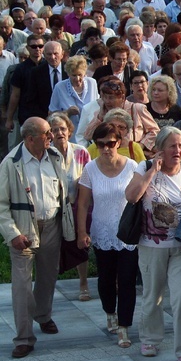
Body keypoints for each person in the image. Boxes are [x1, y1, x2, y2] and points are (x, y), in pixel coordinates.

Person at [124, 127, 181, 361]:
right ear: (160, 148)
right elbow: (131, 196)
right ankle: (150, 339)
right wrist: (151, 172)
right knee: (153, 295)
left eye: (180, 145)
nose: (177, 150)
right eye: (172, 146)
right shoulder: (144, 167)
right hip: (151, 245)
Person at [0, 117, 72, 358]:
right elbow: (1, 205)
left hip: (52, 225)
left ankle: (43, 316)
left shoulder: (54, 157)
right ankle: (23, 338)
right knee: (22, 286)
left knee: (48, 276)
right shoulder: (11, 163)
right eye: (46, 133)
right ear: (30, 139)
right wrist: (12, 234)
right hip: (23, 230)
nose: (51, 135)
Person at [76, 122, 138, 348]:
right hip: (102, 231)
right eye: (100, 144)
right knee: (105, 280)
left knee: (128, 280)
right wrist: (82, 231)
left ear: (118, 143)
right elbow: (82, 204)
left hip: (127, 233)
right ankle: (109, 312)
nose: (105, 148)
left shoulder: (132, 166)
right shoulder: (90, 169)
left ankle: (124, 327)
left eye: (110, 143)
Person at [48, 113, 92, 302]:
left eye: (63, 129)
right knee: (52, 248)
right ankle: (48, 286)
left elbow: (89, 179)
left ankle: (83, 283)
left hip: (78, 206)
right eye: (55, 129)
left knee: (80, 245)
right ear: (49, 134)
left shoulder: (81, 151)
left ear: (69, 130)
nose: (60, 132)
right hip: (54, 208)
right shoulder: (46, 154)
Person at [82, 77, 159, 157]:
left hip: (133, 153)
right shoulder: (101, 112)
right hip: (109, 155)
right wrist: (100, 117)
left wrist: (141, 146)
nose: (107, 101)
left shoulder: (137, 108)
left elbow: (155, 131)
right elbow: (87, 136)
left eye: (111, 98)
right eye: (104, 97)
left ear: (122, 97)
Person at [49, 55, 98, 132]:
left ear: (85, 73)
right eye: (74, 75)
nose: (77, 79)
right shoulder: (59, 87)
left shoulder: (92, 83)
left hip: (90, 131)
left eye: (80, 75)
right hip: (71, 132)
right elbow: (51, 114)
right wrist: (67, 112)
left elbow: (97, 106)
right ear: (68, 74)